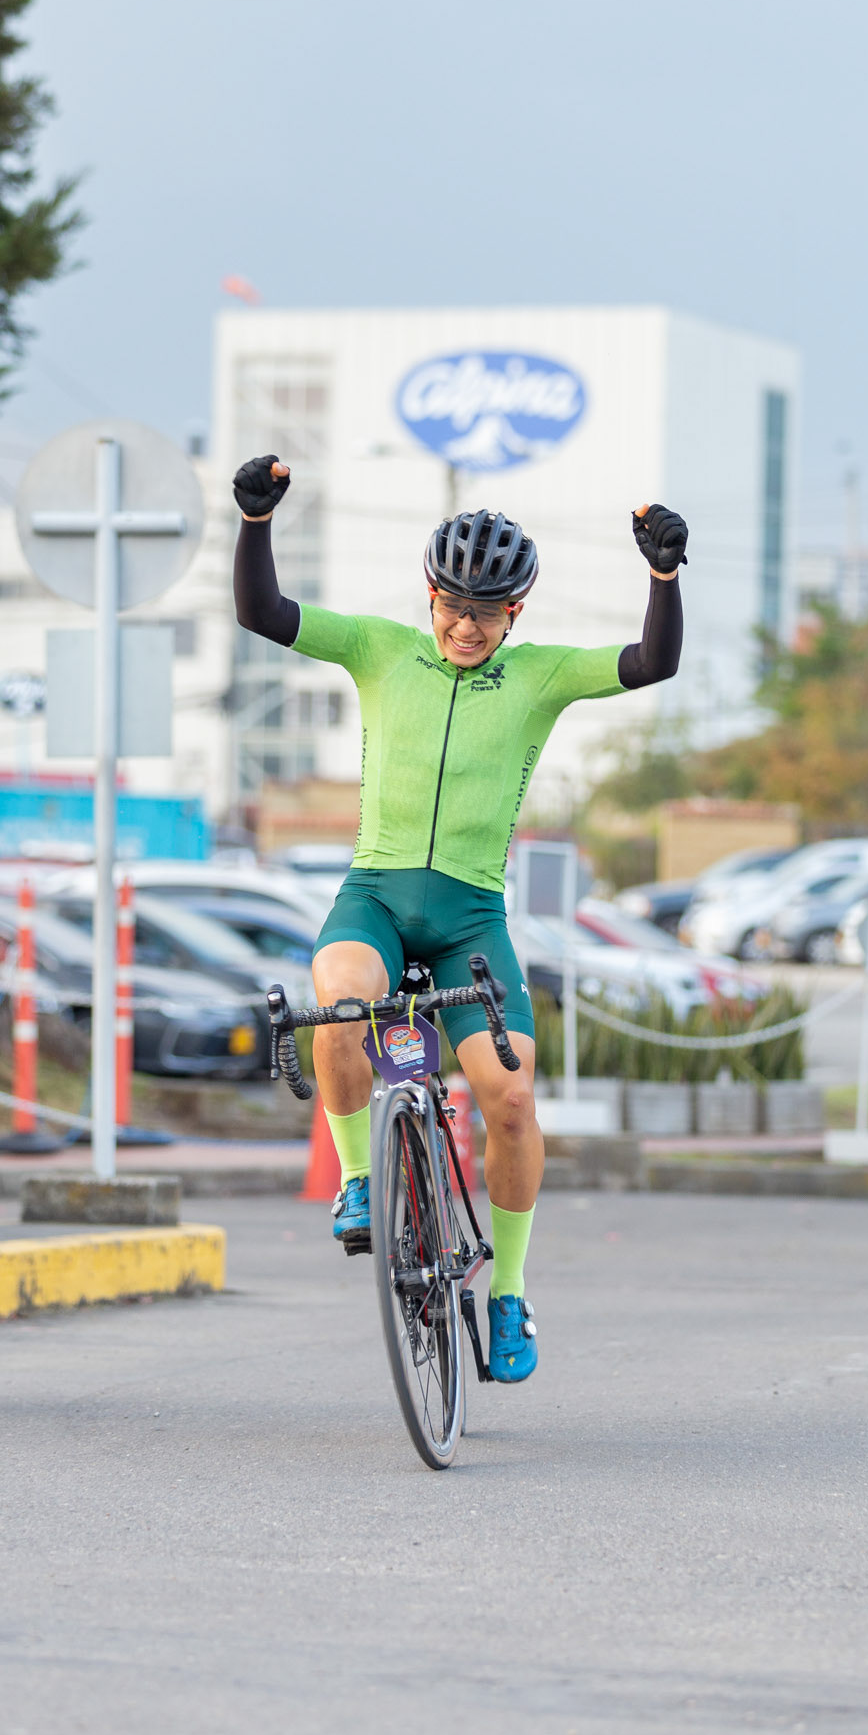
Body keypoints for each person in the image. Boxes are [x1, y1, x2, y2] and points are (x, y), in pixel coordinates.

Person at [233, 457, 686, 1384]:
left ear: (515, 613)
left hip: (472, 917)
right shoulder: (378, 648)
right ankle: (361, 1180)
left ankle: (509, 1291)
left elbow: (651, 664)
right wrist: (254, 520)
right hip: (376, 895)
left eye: (486, 612)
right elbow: (264, 614)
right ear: (429, 594)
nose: (465, 626)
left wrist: (663, 578)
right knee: (339, 1005)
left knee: (511, 1102)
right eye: (452, 606)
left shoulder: (539, 677)